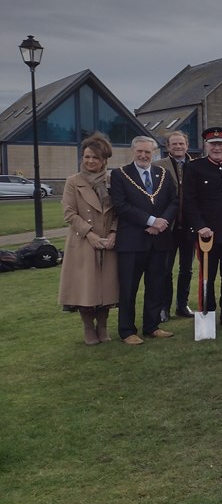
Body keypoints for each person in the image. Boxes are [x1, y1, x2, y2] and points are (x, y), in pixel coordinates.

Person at [110, 135, 179, 345]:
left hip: (159, 240)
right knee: (129, 288)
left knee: (156, 284)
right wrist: (150, 220)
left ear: (154, 153)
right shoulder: (120, 175)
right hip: (132, 242)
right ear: (133, 151)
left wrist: (162, 222)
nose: (143, 155)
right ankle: (127, 330)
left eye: (147, 152)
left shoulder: (163, 174)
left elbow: (174, 201)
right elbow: (121, 205)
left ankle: (152, 326)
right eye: (139, 151)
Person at [182, 126, 222, 329]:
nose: (217, 148)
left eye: (220, 144)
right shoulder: (194, 168)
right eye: (213, 144)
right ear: (206, 146)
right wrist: (200, 226)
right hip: (207, 233)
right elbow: (190, 201)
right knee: (207, 277)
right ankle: (208, 313)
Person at [58, 133, 119, 345]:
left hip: (108, 243)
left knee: (106, 288)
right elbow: (69, 213)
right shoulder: (73, 182)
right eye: (86, 157)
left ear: (104, 161)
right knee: (86, 288)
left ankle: (102, 327)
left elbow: (120, 211)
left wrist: (113, 232)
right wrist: (90, 234)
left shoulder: (113, 181)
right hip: (84, 242)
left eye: (95, 157)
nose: (90, 161)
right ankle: (88, 327)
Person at [155, 130, 194, 320]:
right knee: (165, 269)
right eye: (174, 144)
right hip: (167, 227)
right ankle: (164, 308)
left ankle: (182, 305)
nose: (178, 147)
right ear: (168, 146)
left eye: (181, 143)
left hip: (188, 227)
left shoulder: (195, 166)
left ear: (187, 145)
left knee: (186, 269)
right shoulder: (158, 166)